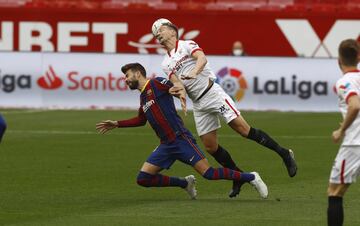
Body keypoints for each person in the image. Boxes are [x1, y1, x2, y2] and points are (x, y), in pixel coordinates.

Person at [151, 18, 297, 198]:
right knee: (211, 147)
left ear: (172, 31)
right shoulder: (165, 63)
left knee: (243, 130)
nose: (157, 34)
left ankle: (284, 153)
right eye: (155, 32)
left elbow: (202, 58)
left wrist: (195, 72)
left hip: (212, 93)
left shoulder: (187, 44)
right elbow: (177, 84)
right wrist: (179, 93)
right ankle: (238, 176)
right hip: (199, 103)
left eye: (161, 29)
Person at [96, 63, 268, 200]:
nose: (125, 79)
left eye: (127, 75)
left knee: (208, 173)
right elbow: (141, 120)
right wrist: (117, 123)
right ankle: (184, 183)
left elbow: (176, 87)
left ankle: (251, 177)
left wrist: (178, 92)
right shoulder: (143, 97)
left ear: (137, 73)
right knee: (143, 178)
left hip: (181, 139)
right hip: (166, 145)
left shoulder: (156, 83)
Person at [327, 39, 360, 226]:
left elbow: (354, 105)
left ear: (339, 60)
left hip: (354, 144)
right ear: (358, 57)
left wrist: (341, 129)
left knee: (334, 192)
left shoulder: (344, 81)